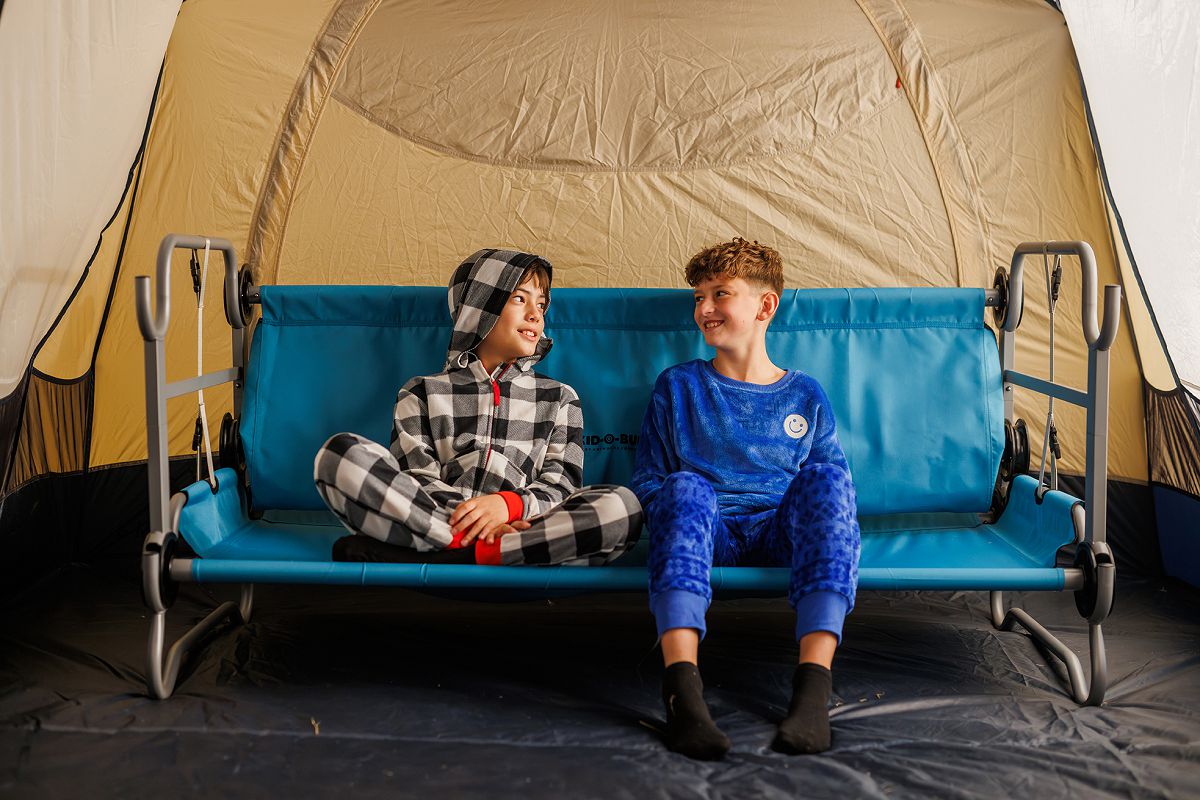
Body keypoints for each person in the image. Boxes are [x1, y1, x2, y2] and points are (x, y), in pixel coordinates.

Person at [630, 238, 861, 760]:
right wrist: (678, 510)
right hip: (705, 531)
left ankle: (813, 689)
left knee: (829, 481)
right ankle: (682, 689)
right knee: (683, 486)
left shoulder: (805, 395)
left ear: (764, 306)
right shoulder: (679, 387)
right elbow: (649, 479)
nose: (704, 309)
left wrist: (810, 513)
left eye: (720, 294)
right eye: (697, 297)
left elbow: (833, 493)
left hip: (780, 530)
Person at [314, 248, 642, 566]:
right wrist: (474, 521)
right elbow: (416, 478)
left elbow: (561, 486)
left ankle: (460, 555)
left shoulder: (559, 398)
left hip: (525, 526)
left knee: (622, 508)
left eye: (541, 304)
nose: (536, 314)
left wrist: (507, 507)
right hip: (446, 523)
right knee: (339, 455)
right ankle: (484, 549)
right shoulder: (421, 392)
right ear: (478, 309)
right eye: (519, 298)